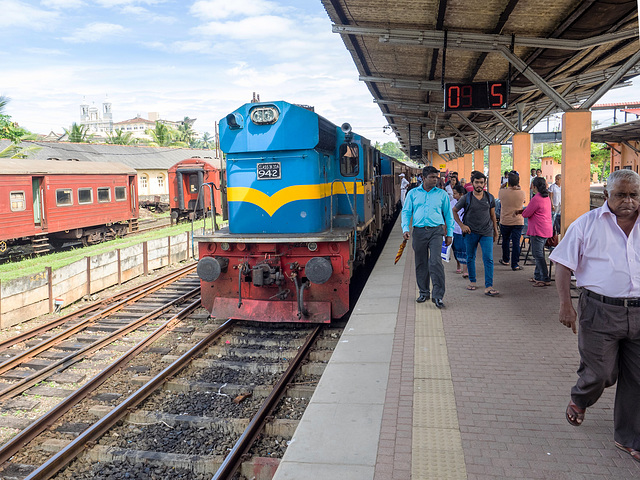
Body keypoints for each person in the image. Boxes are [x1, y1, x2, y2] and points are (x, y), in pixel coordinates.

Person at [549, 169, 640, 463]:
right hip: (599, 311)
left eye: (634, 195)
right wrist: (566, 305)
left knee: (638, 379)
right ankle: (581, 397)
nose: (628, 201)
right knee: (601, 373)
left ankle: (629, 437)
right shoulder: (586, 224)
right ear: (606, 196)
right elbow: (563, 265)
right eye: (621, 195)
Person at [401, 166, 454, 309]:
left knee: (435, 262)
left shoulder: (442, 195)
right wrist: (405, 228)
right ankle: (424, 292)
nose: (435, 180)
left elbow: (449, 215)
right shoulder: (412, 194)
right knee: (421, 262)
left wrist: (449, 234)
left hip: (436, 231)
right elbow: (406, 212)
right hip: (418, 232)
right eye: (432, 177)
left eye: (436, 177)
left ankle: (438, 296)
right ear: (423, 178)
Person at [452, 171, 500, 296]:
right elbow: (454, 211)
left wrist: (495, 231)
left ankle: (489, 286)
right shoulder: (466, 198)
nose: (479, 185)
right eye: (477, 182)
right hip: (470, 232)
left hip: (486, 232)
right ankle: (472, 281)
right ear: (472, 183)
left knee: (488, 258)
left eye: (482, 183)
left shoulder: (490, 197)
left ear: (485, 184)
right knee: (470, 257)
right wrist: (462, 226)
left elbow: (492, 215)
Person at [520, 177, 552, 287]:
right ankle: (538, 276)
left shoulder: (536, 198)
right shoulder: (546, 197)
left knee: (537, 255)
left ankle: (544, 278)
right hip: (546, 228)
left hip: (538, 229)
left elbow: (526, 214)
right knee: (540, 253)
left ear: (535, 186)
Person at [498, 171, 525, 271]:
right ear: (518, 182)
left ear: (508, 181)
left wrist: (503, 186)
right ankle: (515, 264)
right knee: (516, 243)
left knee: (505, 240)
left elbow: (500, 194)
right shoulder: (521, 193)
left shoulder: (502, 192)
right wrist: (518, 188)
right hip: (518, 221)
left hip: (505, 220)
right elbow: (524, 201)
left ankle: (505, 259)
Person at [451, 184, 468, 278]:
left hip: (465, 230)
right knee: (456, 249)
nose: (453, 196)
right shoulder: (452, 203)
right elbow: (448, 217)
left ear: (461, 194)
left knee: (465, 250)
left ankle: (465, 270)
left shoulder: (468, 202)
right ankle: (458, 264)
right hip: (455, 230)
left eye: (455, 194)